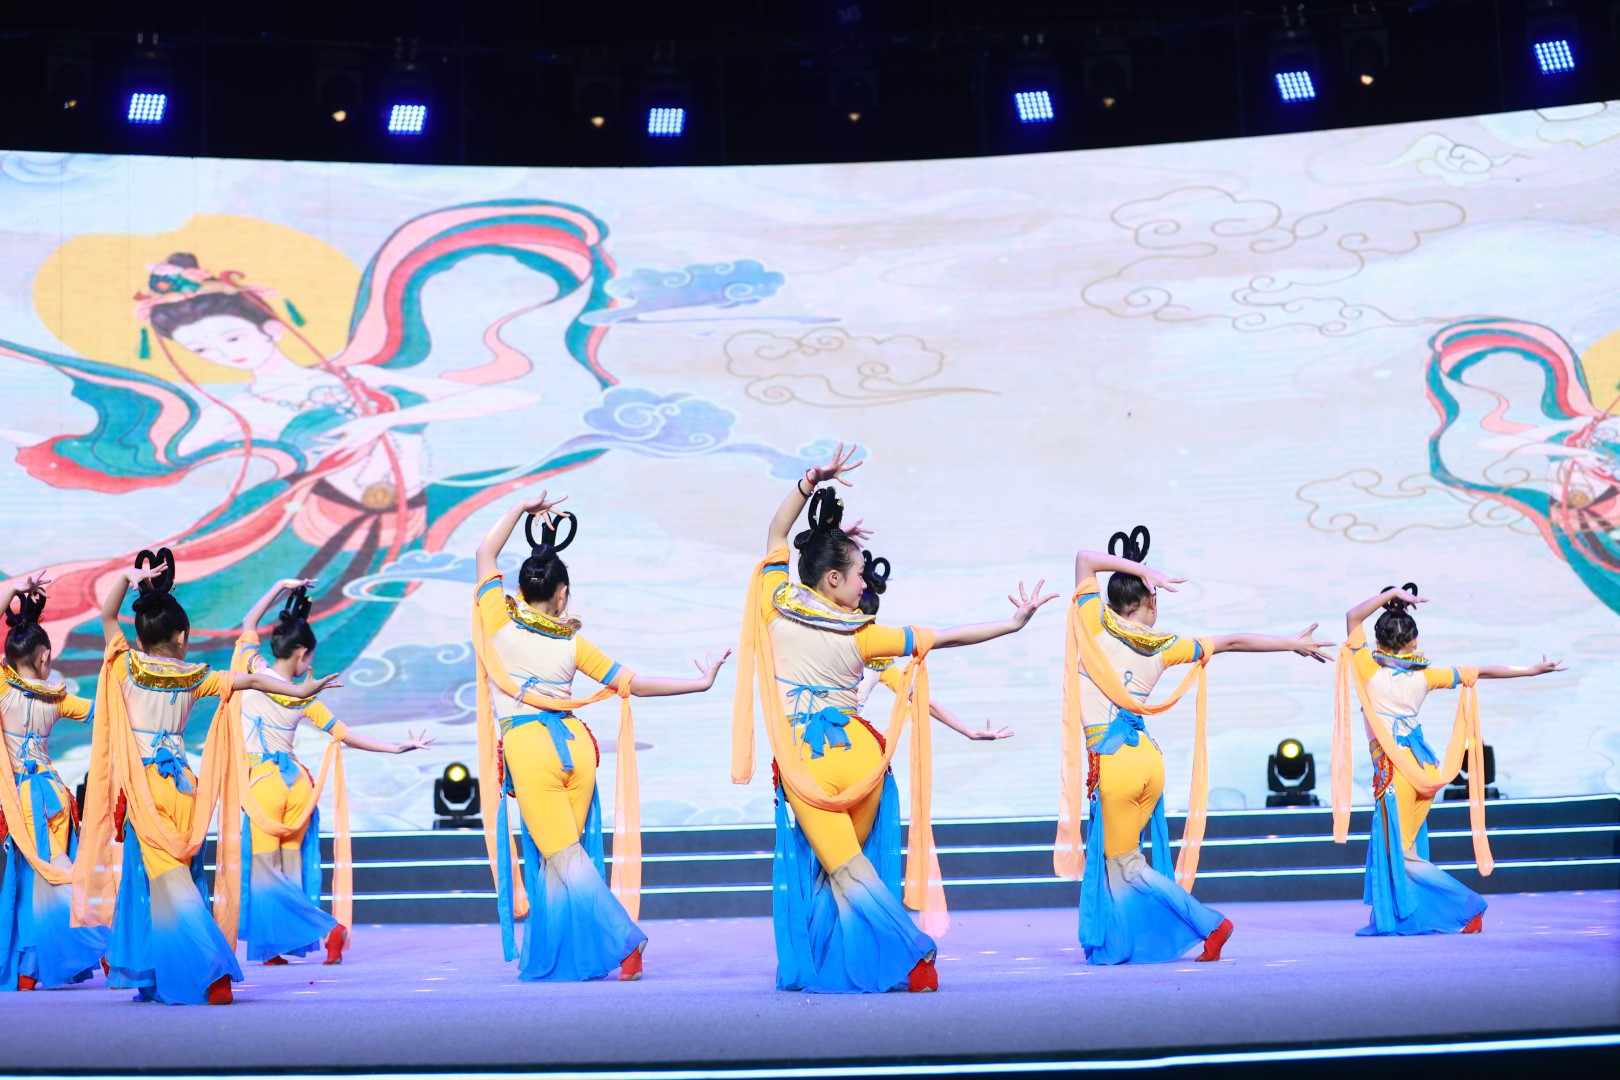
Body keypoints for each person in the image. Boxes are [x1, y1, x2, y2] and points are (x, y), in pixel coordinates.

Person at [733, 443, 1056, 993]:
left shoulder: (776, 605)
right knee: (840, 871)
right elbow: (945, 638)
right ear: (832, 579)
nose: (866, 584)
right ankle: (835, 966)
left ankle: (912, 952)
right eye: (859, 574)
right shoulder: (865, 635)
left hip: (807, 760)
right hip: (861, 757)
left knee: (844, 871)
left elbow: (775, 534)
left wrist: (810, 480)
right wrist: (1011, 624)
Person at [472, 493, 730, 982]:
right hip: (576, 746)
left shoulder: (499, 622)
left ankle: (625, 938)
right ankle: (556, 960)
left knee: (563, 857)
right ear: (563, 595)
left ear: (521, 588)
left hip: (530, 747)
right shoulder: (573, 643)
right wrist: (699, 683)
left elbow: (485, 553)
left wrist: (521, 508)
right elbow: (634, 684)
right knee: (560, 861)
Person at [70, 548, 340, 1005]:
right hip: (184, 788)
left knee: (164, 883)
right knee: (173, 879)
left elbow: (108, 615)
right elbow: (253, 681)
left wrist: (126, 576)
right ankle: (158, 977)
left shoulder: (126, 666)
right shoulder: (195, 675)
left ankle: (212, 970)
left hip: (145, 789)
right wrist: (299, 690)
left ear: (144, 634)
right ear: (181, 636)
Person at [1060, 526, 1333, 966]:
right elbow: (1231, 642)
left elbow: (1084, 557)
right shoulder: (1166, 646)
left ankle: (1209, 925)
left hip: (1113, 763)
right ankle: (1123, 942)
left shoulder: (1093, 624)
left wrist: (1141, 570)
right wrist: (1290, 644)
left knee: (1126, 866)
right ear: (1151, 601)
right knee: (1125, 863)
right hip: (1147, 761)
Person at [1334, 584, 1564, 936]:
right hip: (1423, 769)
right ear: (1413, 642)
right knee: (1407, 849)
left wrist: (1392, 592)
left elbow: (1353, 616)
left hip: (1396, 772)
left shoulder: (1369, 671)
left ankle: (1466, 904)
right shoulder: (1426, 676)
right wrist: (1530, 670)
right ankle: (1413, 916)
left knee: (1401, 856)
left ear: (1378, 641)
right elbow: (1480, 671)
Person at [232, 578, 432, 965]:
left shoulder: (252, 668)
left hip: (263, 780)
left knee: (265, 871)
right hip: (297, 783)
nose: (311, 664)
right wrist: (396, 747)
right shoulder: (305, 696)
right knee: (290, 870)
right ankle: (276, 948)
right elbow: (346, 736)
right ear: (302, 653)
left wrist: (281, 586)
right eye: (310, 657)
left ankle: (327, 928)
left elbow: (248, 622)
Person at [0, 577, 109, 990]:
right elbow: (103, 712)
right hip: (56, 796)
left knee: (38, 879)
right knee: (53, 874)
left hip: (23, 799)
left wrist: (13, 589)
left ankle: (65, 955)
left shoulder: (4, 690)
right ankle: (75, 952)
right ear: (45, 655)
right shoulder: (58, 698)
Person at [855, 550, 1014, 742]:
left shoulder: (877, 655)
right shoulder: (824, 635)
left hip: (843, 743)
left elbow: (921, 698)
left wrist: (969, 732)